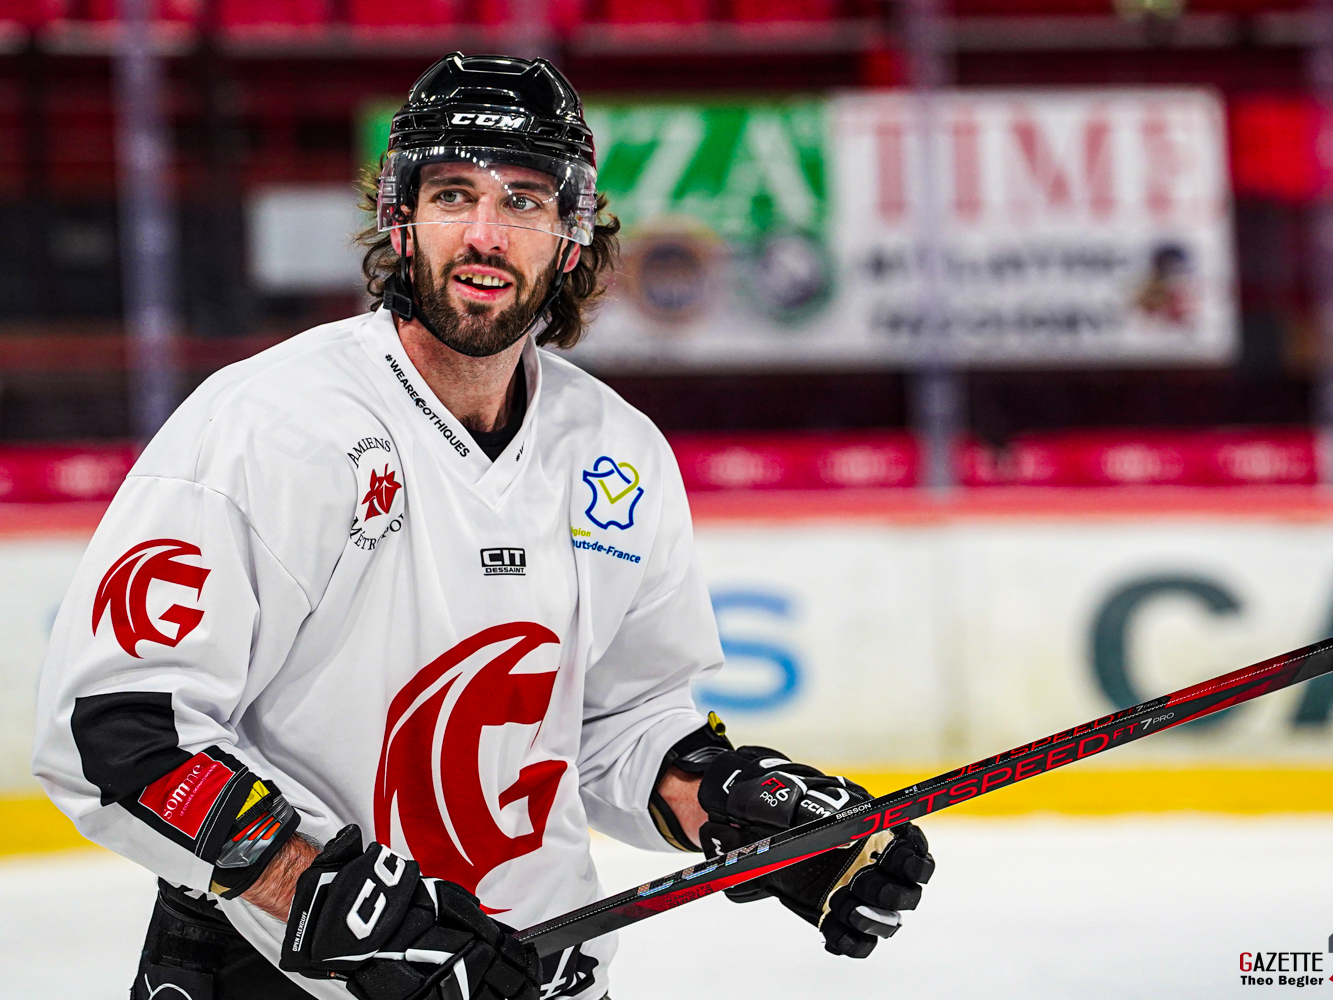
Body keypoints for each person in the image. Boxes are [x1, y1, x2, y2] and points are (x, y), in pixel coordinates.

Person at [32, 53, 933, 1000]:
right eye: (453, 193)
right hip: (270, 978)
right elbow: (119, 733)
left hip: (529, 977)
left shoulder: (616, 452)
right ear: (399, 217)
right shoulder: (268, 423)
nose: (486, 234)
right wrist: (332, 898)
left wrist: (735, 806)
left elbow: (619, 724)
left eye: (526, 200)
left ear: (573, 233)